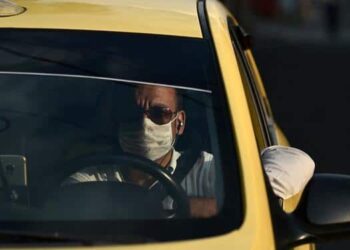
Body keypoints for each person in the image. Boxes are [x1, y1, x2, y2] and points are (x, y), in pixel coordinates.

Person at [65, 84, 315, 217]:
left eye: (159, 113)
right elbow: (67, 210)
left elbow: (297, 161)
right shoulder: (90, 177)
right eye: (132, 114)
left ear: (180, 122)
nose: (144, 124)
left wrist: (239, 203)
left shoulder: (208, 173)